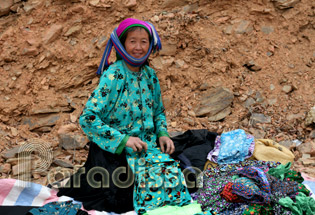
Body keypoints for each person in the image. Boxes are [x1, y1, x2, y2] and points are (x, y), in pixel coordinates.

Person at [78, 18, 191, 214]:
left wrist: (163, 133)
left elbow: (158, 111)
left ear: (150, 44)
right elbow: (88, 118)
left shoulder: (149, 75)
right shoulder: (113, 76)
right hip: (116, 152)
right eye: (132, 41)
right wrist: (124, 140)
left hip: (148, 149)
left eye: (144, 41)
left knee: (185, 178)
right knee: (121, 197)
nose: (138, 47)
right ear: (122, 44)